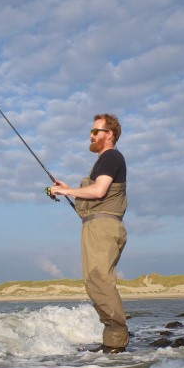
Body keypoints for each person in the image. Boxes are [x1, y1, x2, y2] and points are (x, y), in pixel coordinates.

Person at [51, 113, 129, 353]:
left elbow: (98, 191)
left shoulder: (111, 156)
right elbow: (95, 195)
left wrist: (67, 192)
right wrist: (69, 190)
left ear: (110, 135)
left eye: (96, 131)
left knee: (99, 280)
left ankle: (116, 341)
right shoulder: (104, 161)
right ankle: (112, 340)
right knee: (95, 281)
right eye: (91, 131)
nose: (91, 135)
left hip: (103, 228)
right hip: (97, 226)